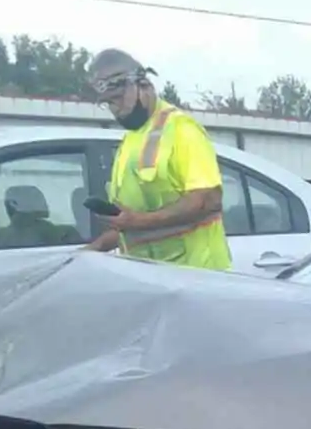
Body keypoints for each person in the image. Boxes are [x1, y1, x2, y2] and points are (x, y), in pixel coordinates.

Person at [83, 49, 231, 271]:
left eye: (118, 99)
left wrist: (139, 222)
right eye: (109, 104)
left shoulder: (181, 129)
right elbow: (129, 224)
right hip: (155, 279)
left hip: (198, 277)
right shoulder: (131, 140)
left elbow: (208, 200)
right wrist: (90, 252)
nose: (116, 110)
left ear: (141, 84)